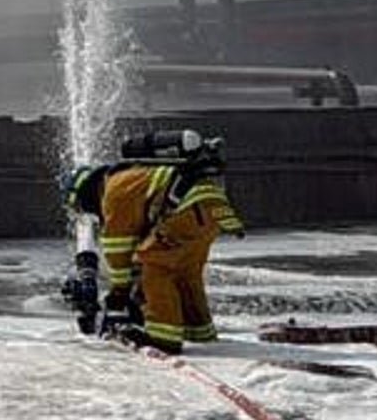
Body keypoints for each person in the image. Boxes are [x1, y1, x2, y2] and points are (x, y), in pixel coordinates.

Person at [64, 131, 244, 351]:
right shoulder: (131, 176)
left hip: (187, 209)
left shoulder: (112, 191)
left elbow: (118, 250)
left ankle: (163, 337)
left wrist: (119, 293)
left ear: (86, 194)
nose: (94, 214)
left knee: (154, 265)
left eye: (85, 208)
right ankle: (200, 332)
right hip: (210, 207)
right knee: (185, 273)